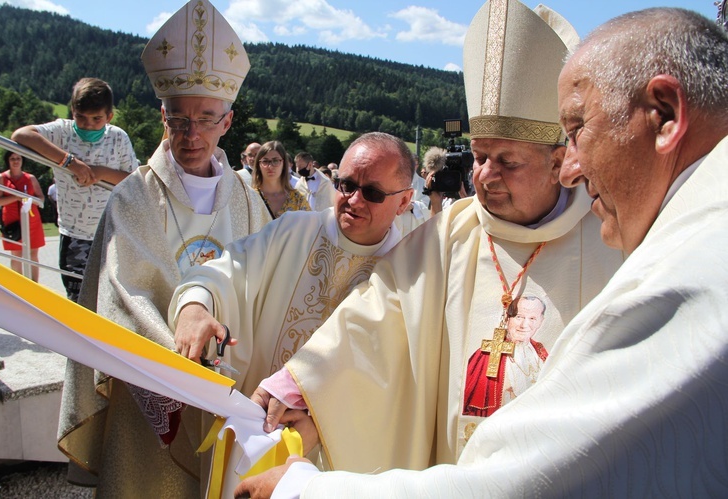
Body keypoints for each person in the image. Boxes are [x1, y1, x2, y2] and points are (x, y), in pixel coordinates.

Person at [236, 6, 728, 497]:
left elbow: (551, 474)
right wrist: (309, 386)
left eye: (507, 161)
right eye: (478, 156)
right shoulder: (453, 231)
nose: (485, 176)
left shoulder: (631, 234)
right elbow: (377, 317)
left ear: (555, 160)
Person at [56, 1, 271, 497]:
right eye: (178, 119)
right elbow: (121, 296)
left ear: (227, 121)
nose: (190, 134)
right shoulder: (133, 196)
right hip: (151, 387)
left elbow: (266, 283)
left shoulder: (247, 197)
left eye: (205, 119)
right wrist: (183, 362)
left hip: (232, 384)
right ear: (162, 115)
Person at [170, 131, 412, 394]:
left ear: (404, 201)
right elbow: (225, 271)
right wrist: (195, 306)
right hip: (253, 418)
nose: (354, 200)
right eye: (347, 185)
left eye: (373, 193)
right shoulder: (292, 230)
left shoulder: (406, 275)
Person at [11, 77, 137, 302]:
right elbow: (21, 135)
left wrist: (100, 172)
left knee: (110, 300)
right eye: (81, 117)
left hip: (110, 233)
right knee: (77, 299)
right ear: (72, 112)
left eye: (96, 119)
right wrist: (69, 161)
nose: (88, 124)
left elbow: (132, 179)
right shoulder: (62, 132)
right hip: (74, 234)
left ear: (109, 116)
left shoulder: (118, 138)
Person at [463, 294, 547, 416]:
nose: (524, 325)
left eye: (532, 318)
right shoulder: (485, 356)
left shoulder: (541, 353)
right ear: (508, 318)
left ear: (540, 321)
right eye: (519, 317)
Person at [0, 151, 46, 282]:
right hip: (12, 220)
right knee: (17, 254)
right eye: (12, 159)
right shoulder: (1, 178)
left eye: (18, 158)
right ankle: (19, 285)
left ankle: (34, 284)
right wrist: (15, 196)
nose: (15, 161)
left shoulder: (30, 178)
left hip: (31, 219)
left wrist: (28, 198)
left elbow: (41, 199)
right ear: (8, 161)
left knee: (33, 253)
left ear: (22, 161)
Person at [251, 141, 310, 218]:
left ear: (284, 164)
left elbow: (310, 227)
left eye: (275, 161)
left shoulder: (298, 199)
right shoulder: (251, 198)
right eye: (265, 161)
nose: (270, 166)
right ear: (258, 165)